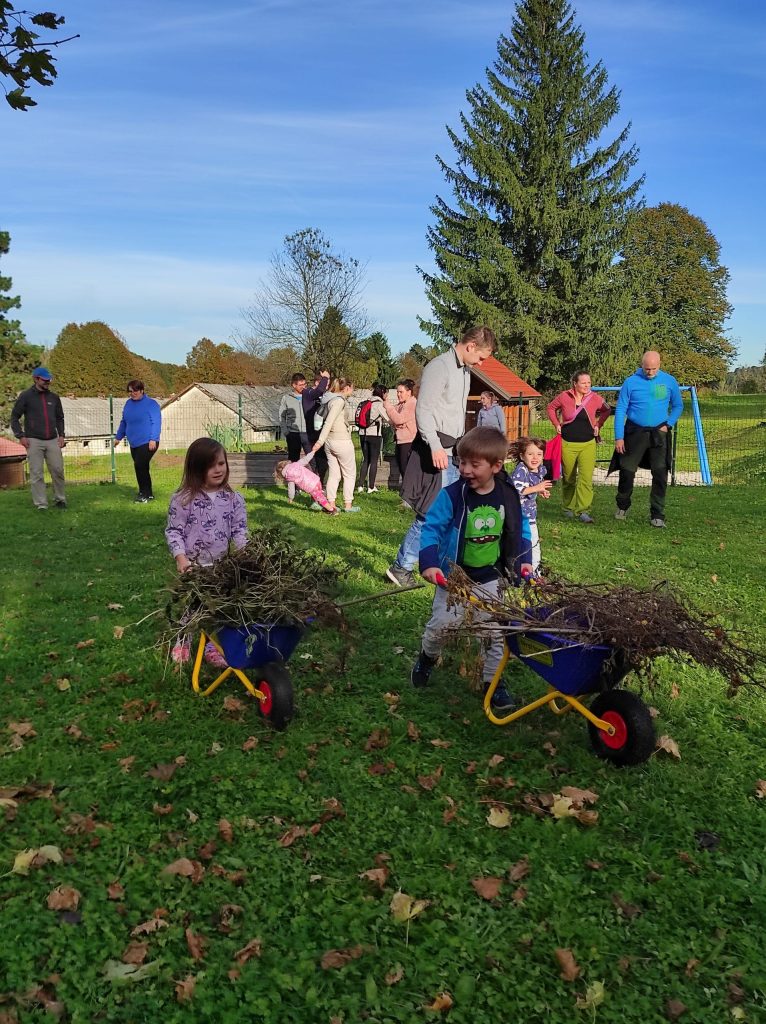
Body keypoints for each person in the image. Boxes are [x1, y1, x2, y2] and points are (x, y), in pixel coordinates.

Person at [410, 427, 533, 712]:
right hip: (453, 576)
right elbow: (432, 528)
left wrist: (523, 558)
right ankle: (427, 657)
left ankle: (493, 684)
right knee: (441, 626)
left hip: (490, 577)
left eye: (474, 464)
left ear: (496, 466)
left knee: (493, 632)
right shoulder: (453, 495)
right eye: (462, 462)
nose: (465, 469)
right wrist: (429, 562)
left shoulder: (507, 496)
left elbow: (520, 528)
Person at [385, 326, 498, 587]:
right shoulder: (440, 367)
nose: (481, 363)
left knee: (449, 512)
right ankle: (401, 568)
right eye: (481, 357)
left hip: (455, 452)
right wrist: (435, 446)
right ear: (470, 346)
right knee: (430, 513)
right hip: (438, 451)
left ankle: (445, 565)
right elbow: (423, 411)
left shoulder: (466, 372)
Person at [165, 437, 249, 665]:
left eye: (221, 463)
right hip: (194, 566)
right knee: (194, 606)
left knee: (223, 608)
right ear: (196, 468)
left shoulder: (234, 499)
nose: (218, 469)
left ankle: (215, 647)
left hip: (223, 565)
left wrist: (246, 555)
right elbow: (174, 531)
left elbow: (240, 531)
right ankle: (183, 641)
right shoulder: (183, 499)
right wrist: (181, 558)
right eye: (211, 465)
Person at [611, 351, 683, 528]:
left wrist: (669, 424)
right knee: (627, 470)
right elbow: (620, 410)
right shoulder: (630, 382)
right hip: (634, 432)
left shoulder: (669, 381)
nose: (650, 372)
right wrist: (619, 437)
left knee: (660, 472)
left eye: (654, 369)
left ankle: (657, 513)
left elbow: (678, 405)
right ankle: (623, 505)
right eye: (647, 368)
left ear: (660, 365)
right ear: (641, 365)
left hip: (659, 433)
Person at [546, 371, 612, 523]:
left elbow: (607, 409)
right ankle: (568, 507)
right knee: (569, 478)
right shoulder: (564, 396)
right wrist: (556, 424)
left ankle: (583, 510)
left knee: (586, 479)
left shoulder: (595, 398)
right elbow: (550, 408)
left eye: (589, 382)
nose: (587, 385)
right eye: (583, 383)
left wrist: (598, 424)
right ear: (575, 384)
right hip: (567, 444)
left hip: (588, 444)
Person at [11, 367, 67, 510]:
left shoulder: (54, 398)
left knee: (58, 470)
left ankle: (60, 499)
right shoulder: (25, 396)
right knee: (36, 473)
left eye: (49, 379)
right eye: (45, 379)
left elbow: (60, 418)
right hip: (33, 440)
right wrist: (20, 436)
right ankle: (41, 504)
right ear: (36, 379)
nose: (48, 382)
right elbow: (14, 417)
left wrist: (61, 435)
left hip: (52, 440)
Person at [311, 378, 360, 513]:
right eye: (352, 388)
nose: (353, 390)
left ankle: (331, 503)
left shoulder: (328, 399)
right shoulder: (338, 401)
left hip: (330, 443)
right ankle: (348, 505)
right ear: (347, 388)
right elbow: (329, 422)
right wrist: (319, 441)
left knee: (334, 474)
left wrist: (323, 441)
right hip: (341, 440)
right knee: (349, 473)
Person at [114, 379, 162, 503]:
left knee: (139, 465)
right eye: (130, 391)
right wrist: (118, 437)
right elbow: (124, 422)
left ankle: (143, 494)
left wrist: (153, 439)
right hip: (134, 442)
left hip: (148, 442)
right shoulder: (128, 404)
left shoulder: (151, 404)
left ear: (142, 390)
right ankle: (149, 493)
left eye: (135, 390)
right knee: (142, 467)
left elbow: (156, 422)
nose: (133, 393)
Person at [509, 437, 551, 571]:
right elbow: (517, 490)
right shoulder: (521, 471)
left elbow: (530, 488)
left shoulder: (537, 470)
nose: (535, 458)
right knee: (531, 544)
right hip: (521, 517)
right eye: (530, 454)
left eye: (539, 454)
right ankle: (532, 572)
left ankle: (531, 570)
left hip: (529, 514)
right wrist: (537, 488)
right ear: (522, 456)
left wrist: (540, 491)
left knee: (531, 543)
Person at [279, 370, 330, 465]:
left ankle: (315, 477)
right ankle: (293, 478)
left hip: (308, 433)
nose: (303, 387)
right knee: (293, 460)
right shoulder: (286, 398)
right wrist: (286, 432)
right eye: (300, 385)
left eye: (304, 384)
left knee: (312, 459)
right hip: (293, 433)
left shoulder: (309, 395)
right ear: (294, 385)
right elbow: (282, 416)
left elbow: (319, 391)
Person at [382, 378, 417, 481]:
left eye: (401, 392)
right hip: (400, 440)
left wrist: (388, 407)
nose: (398, 394)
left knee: (406, 471)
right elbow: (392, 420)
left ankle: (410, 494)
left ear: (409, 392)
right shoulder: (401, 405)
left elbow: (398, 419)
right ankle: (407, 493)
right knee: (402, 469)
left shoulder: (411, 404)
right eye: (397, 392)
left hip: (409, 441)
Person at [357, 383, 389, 493]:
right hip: (374, 435)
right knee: (374, 460)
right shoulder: (379, 404)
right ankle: (371, 487)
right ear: (383, 393)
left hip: (362, 433)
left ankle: (360, 486)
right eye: (386, 393)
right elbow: (388, 418)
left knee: (365, 459)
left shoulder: (366, 402)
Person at [304, 371, 331, 484]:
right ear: (317, 382)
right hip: (312, 435)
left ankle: (321, 486)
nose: (326, 386)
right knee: (314, 463)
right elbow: (319, 390)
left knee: (324, 463)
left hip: (324, 435)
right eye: (325, 383)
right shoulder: (308, 393)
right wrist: (325, 377)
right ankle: (314, 487)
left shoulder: (325, 396)